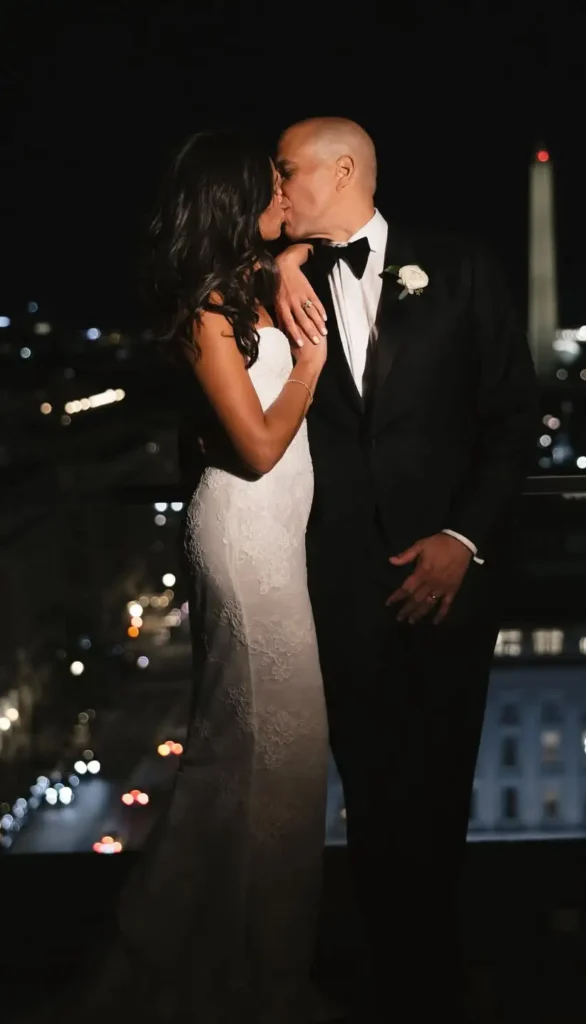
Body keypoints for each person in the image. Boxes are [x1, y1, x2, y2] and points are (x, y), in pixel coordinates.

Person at [22, 130, 331, 1024]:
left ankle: (256, 963)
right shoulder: (204, 312)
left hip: (278, 543)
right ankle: (242, 975)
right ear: (237, 198)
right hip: (245, 541)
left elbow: (301, 244)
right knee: (269, 752)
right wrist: (308, 361)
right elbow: (261, 446)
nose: (284, 190)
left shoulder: (248, 283)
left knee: (273, 761)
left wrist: (287, 262)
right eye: (271, 182)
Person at [273, 118, 538, 1024]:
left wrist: (463, 540)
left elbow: (512, 418)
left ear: (342, 171)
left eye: (288, 170)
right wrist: (277, 260)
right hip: (334, 583)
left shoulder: (462, 267)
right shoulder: (276, 278)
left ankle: (436, 972)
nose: (277, 187)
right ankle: (400, 978)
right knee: (372, 793)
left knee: (441, 782)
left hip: (452, 579)